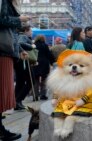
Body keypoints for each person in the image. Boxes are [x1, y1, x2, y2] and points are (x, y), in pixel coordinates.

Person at [0, 0, 31, 140]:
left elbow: (9, 32)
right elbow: (2, 21)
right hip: (2, 52)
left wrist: (19, 49)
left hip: (6, 52)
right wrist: (19, 19)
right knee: (2, 92)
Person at [14, 25, 35, 110]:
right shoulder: (23, 36)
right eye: (30, 30)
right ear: (26, 30)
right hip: (23, 61)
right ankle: (18, 100)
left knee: (20, 82)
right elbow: (20, 43)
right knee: (31, 80)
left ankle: (16, 102)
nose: (31, 32)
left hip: (19, 61)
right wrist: (31, 46)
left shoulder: (19, 35)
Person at [33, 35, 54, 100]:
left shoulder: (34, 45)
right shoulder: (45, 45)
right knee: (44, 80)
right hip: (44, 64)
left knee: (36, 80)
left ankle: (35, 96)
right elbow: (49, 54)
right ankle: (43, 95)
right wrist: (52, 62)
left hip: (35, 63)